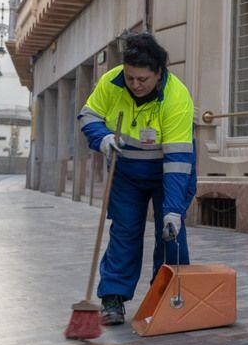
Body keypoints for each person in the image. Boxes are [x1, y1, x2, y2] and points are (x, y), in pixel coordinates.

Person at [77, 32, 198, 326]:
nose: (135, 85)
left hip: (167, 173)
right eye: (130, 77)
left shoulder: (177, 98)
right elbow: (88, 116)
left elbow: (179, 160)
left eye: (142, 79)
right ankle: (113, 298)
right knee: (125, 232)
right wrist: (102, 138)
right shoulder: (111, 82)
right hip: (126, 172)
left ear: (158, 73)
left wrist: (173, 209)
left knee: (170, 233)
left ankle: (166, 297)